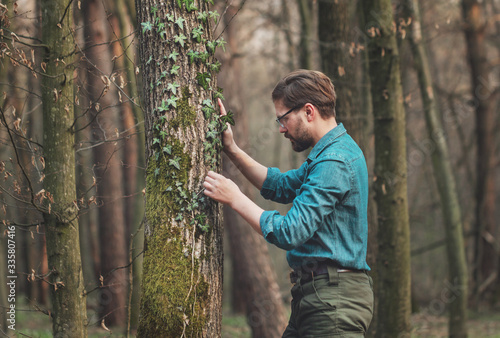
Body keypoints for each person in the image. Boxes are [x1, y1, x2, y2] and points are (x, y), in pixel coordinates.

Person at [203, 70, 373, 337]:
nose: (281, 128)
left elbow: (290, 231)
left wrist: (235, 198)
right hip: (316, 297)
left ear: (308, 111)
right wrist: (232, 149)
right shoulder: (328, 155)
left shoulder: (334, 162)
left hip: (333, 303)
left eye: (283, 119)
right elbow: (280, 186)